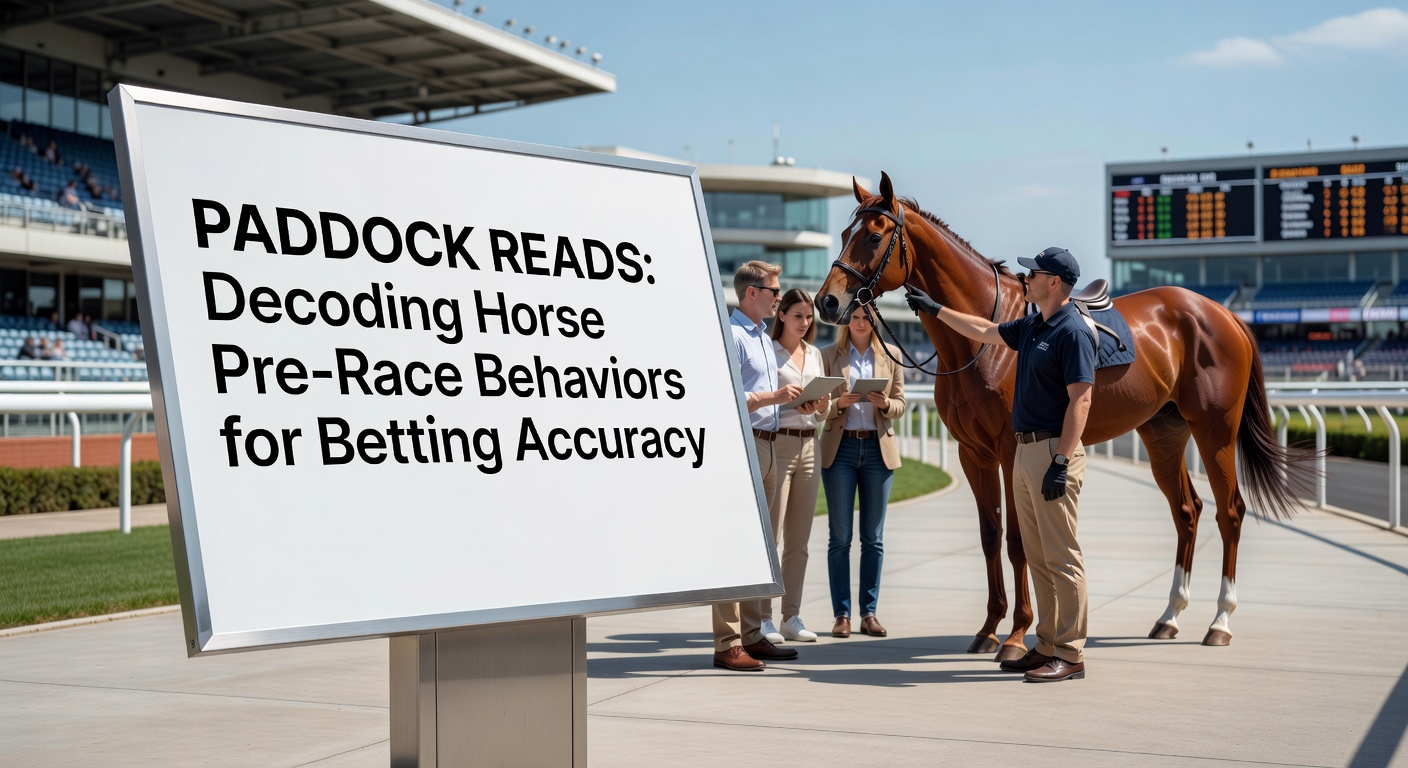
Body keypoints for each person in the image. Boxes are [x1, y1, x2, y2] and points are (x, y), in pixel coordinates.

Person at [906, 246, 1096, 683]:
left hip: (1053, 451)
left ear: (1053, 283)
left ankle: (1070, 652)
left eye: (1033, 274)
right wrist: (937, 309)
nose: (1024, 278)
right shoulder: (1034, 324)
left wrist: (1062, 460)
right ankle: (1046, 643)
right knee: (1039, 555)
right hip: (1026, 450)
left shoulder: (1072, 330)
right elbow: (985, 330)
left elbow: (1081, 400)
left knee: (1063, 556)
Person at [712, 260, 817, 672]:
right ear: (751, 293)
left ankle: (754, 634)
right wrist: (774, 398)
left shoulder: (758, 335)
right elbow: (726, 395)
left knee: (761, 548)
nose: (778, 297)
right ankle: (727, 641)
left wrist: (794, 402)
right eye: (774, 291)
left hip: (770, 444)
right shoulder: (733, 335)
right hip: (746, 447)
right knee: (736, 544)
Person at [819, 308, 905, 639]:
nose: (860, 322)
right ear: (847, 321)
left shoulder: (892, 355)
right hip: (840, 451)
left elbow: (900, 404)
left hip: (877, 452)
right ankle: (842, 615)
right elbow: (820, 407)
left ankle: (869, 613)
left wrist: (884, 404)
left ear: (875, 321)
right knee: (840, 537)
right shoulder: (829, 355)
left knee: (874, 538)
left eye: (866, 317)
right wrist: (838, 403)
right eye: (854, 316)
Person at [760, 288, 830, 645]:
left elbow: (826, 410)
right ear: (782, 315)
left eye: (809, 317)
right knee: (771, 538)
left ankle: (792, 616)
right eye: (798, 315)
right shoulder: (768, 353)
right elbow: (761, 403)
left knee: (799, 541)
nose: (805, 323)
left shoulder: (816, 354)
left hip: (809, 445)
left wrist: (819, 406)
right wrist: (792, 406)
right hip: (779, 443)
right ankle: (763, 619)